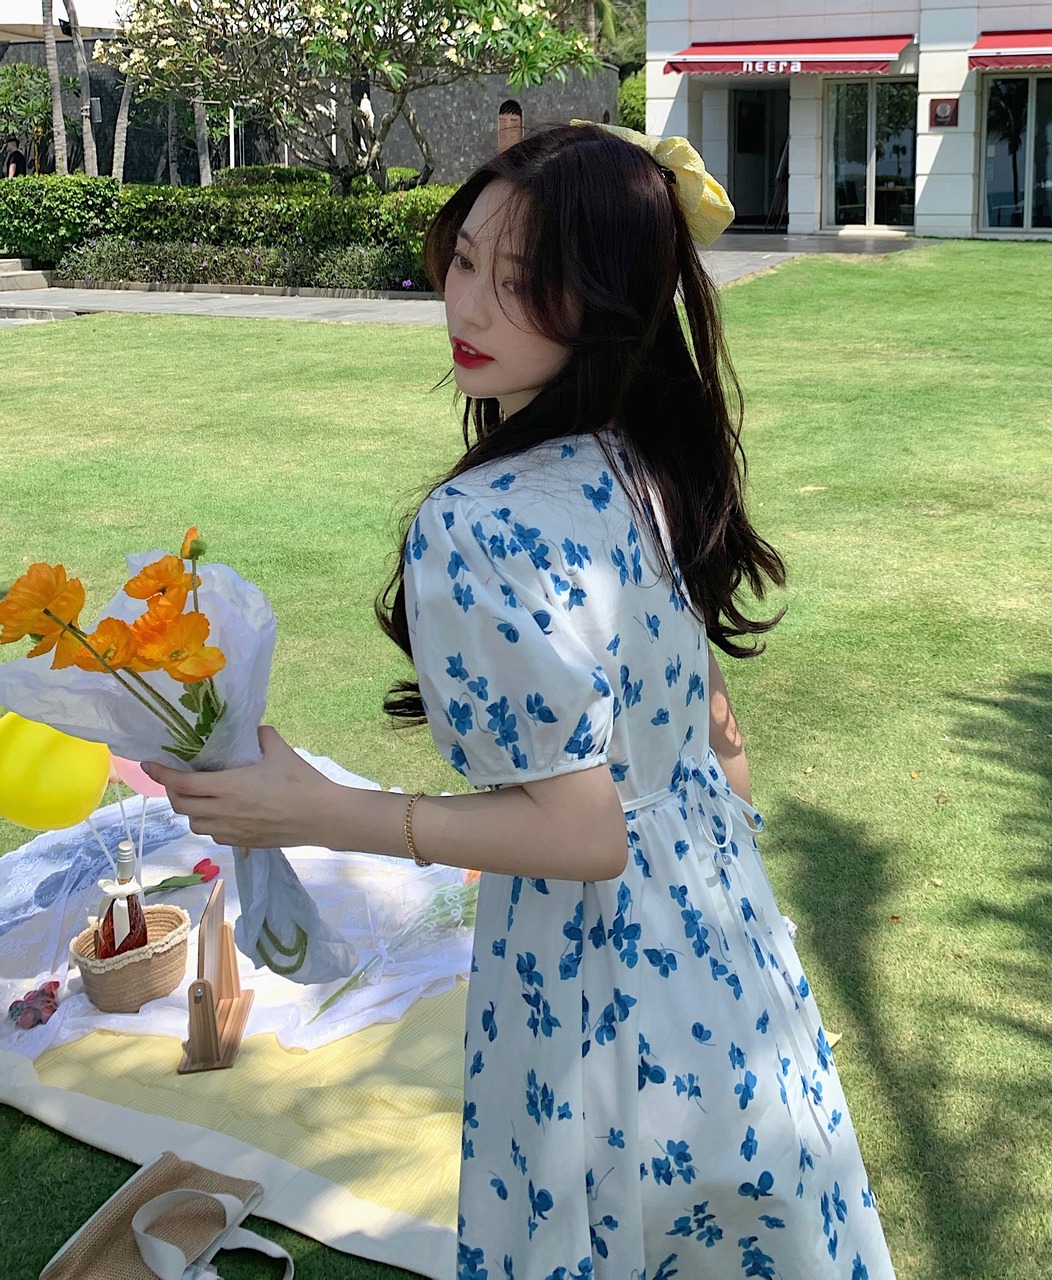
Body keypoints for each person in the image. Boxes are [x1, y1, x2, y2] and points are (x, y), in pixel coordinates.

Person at [147, 122, 896, 1280]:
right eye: (463, 260)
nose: (470, 305)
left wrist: (314, 809)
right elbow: (716, 728)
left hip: (595, 970)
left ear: (605, 303)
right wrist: (723, 895)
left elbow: (581, 834)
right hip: (722, 941)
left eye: (523, 282)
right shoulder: (640, 456)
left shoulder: (481, 519)